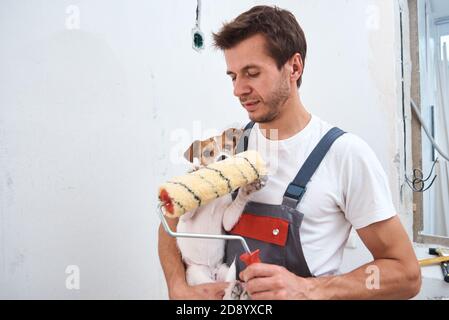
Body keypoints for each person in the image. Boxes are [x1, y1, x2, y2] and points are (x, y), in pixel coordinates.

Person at [158, 5, 421, 300]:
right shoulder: (229, 145)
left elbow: (406, 275)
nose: (238, 89)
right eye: (233, 76)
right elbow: (170, 217)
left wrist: (308, 288)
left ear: (294, 68)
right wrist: (178, 287)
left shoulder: (345, 155)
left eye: (252, 73)